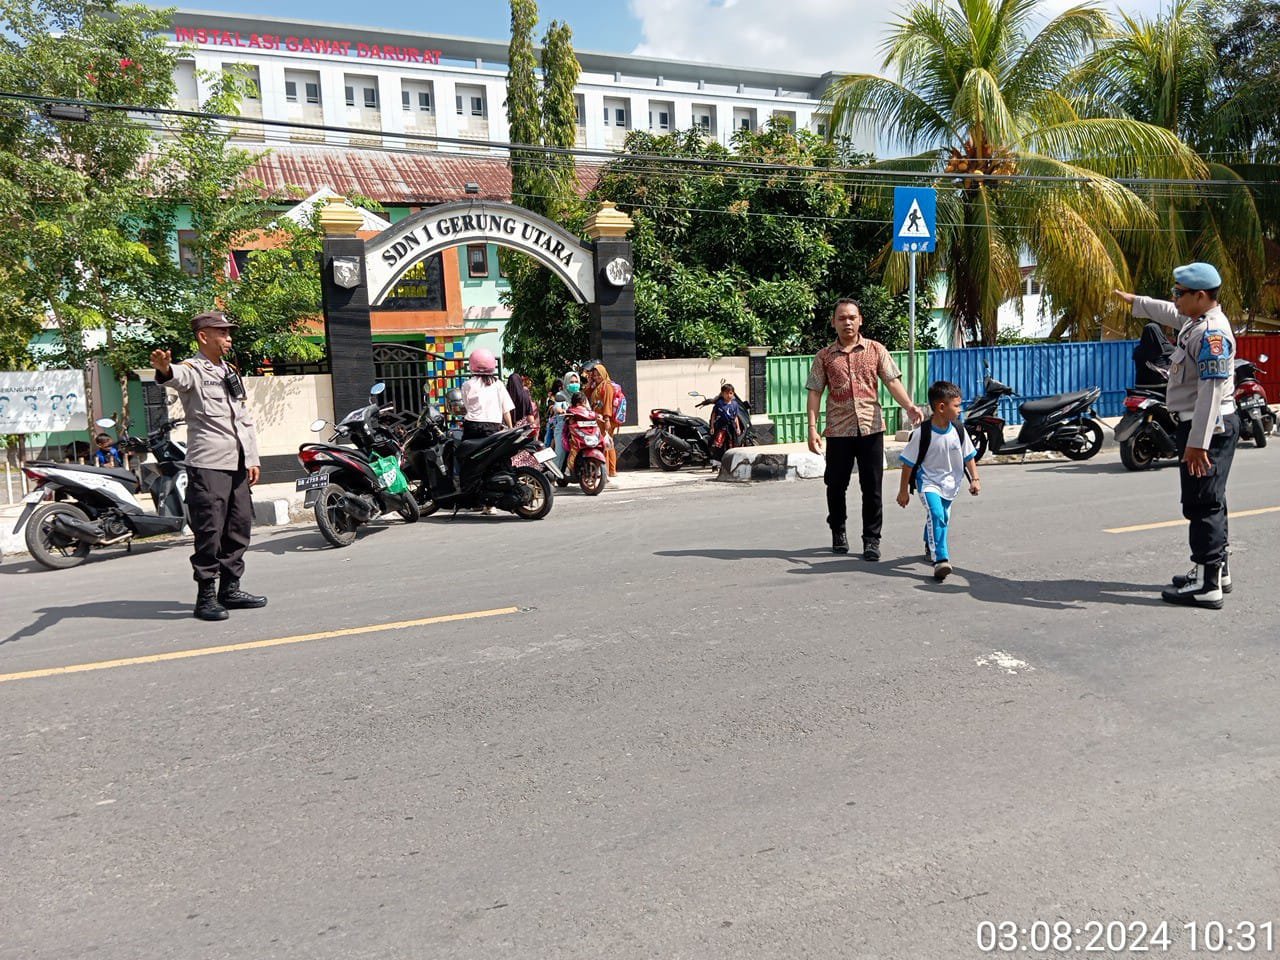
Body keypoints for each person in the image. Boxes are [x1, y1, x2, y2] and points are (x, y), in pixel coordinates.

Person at [1114, 262, 1238, 608]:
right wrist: (1135, 301)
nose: (1175, 299)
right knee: (1212, 497)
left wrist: (1198, 444)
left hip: (1208, 427)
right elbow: (1168, 311)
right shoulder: (1196, 320)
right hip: (1203, 425)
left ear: (1201, 296)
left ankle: (1207, 584)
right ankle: (1214, 569)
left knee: (1202, 502)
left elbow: (1211, 391)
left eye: (1180, 293)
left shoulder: (1212, 333)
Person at [150, 312, 266, 622]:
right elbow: (176, 376)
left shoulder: (230, 371)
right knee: (210, 531)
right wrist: (164, 368)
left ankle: (230, 589)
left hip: (237, 463)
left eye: (229, 332)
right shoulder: (194, 370)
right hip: (209, 465)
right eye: (223, 333)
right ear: (204, 337)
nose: (229, 338)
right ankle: (205, 597)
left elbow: (243, 417)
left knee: (238, 528)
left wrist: (251, 457)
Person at [806, 298, 924, 560]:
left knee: (872, 487)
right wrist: (812, 428)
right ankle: (838, 530)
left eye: (852, 317)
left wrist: (909, 406)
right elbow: (815, 392)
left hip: (871, 428)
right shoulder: (824, 357)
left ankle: (871, 540)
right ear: (833, 322)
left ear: (860, 320)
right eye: (841, 318)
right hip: (838, 431)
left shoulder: (876, 350)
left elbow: (892, 382)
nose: (847, 322)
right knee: (835, 485)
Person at [895, 381, 981, 582]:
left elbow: (969, 456)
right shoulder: (921, 433)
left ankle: (929, 541)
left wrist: (975, 479)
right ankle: (940, 559)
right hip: (928, 482)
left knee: (942, 517)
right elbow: (908, 464)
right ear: (941, 407)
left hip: (951, 484)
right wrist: (903, 492)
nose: (960, 410)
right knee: (936, 514)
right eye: (957, 406)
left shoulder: (958, 430)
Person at [459, 348, 513, 441]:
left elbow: (467, 407)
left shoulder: (467, 384)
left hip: (472, 426)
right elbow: (506, 410)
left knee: (466, 452)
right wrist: (511, 428)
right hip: (493, 426)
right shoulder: (498, 384)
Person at [584, 361, 619, 477]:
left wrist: (607, 419)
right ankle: (610, 470)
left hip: (605, 420)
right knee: (607, 443)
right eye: (594, 375)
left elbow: (608, 403)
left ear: (603, 373)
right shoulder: (597, 386)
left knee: (607, 444)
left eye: (598, 374)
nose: (596, 377)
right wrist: (589, 382)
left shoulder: (607, 385)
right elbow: (587, 395)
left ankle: (610, 470)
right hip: (599, 420)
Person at [1133, 316, 1175, 388]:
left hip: (1140, 385)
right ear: (1159, 333)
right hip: (1162, 385)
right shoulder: (1168, 348)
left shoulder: (1138, 350)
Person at [710, 382, 745, 455]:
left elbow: (735, 417)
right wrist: (712, 427)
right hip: (721, 426)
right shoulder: (719, 404)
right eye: (726, 393)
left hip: (731, 427)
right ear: (722, 394)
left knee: (731, 443)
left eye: (731, 393)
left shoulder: (734, 404)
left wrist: (738, 428)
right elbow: (713, 415)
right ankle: (717, 461)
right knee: (719, 443)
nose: (729, 395)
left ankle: (730, 458)